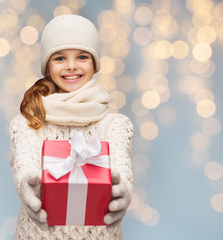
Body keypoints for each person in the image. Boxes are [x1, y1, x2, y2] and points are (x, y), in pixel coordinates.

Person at [9, 14, 134, 239]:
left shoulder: (115, 125)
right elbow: (24, 164)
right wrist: (27, 186)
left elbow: (121, 169)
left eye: (82, 56)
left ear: (95, 64)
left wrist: (123, 191)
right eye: (59, 58)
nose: (71, 66)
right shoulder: (27, 123)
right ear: (47, 66)